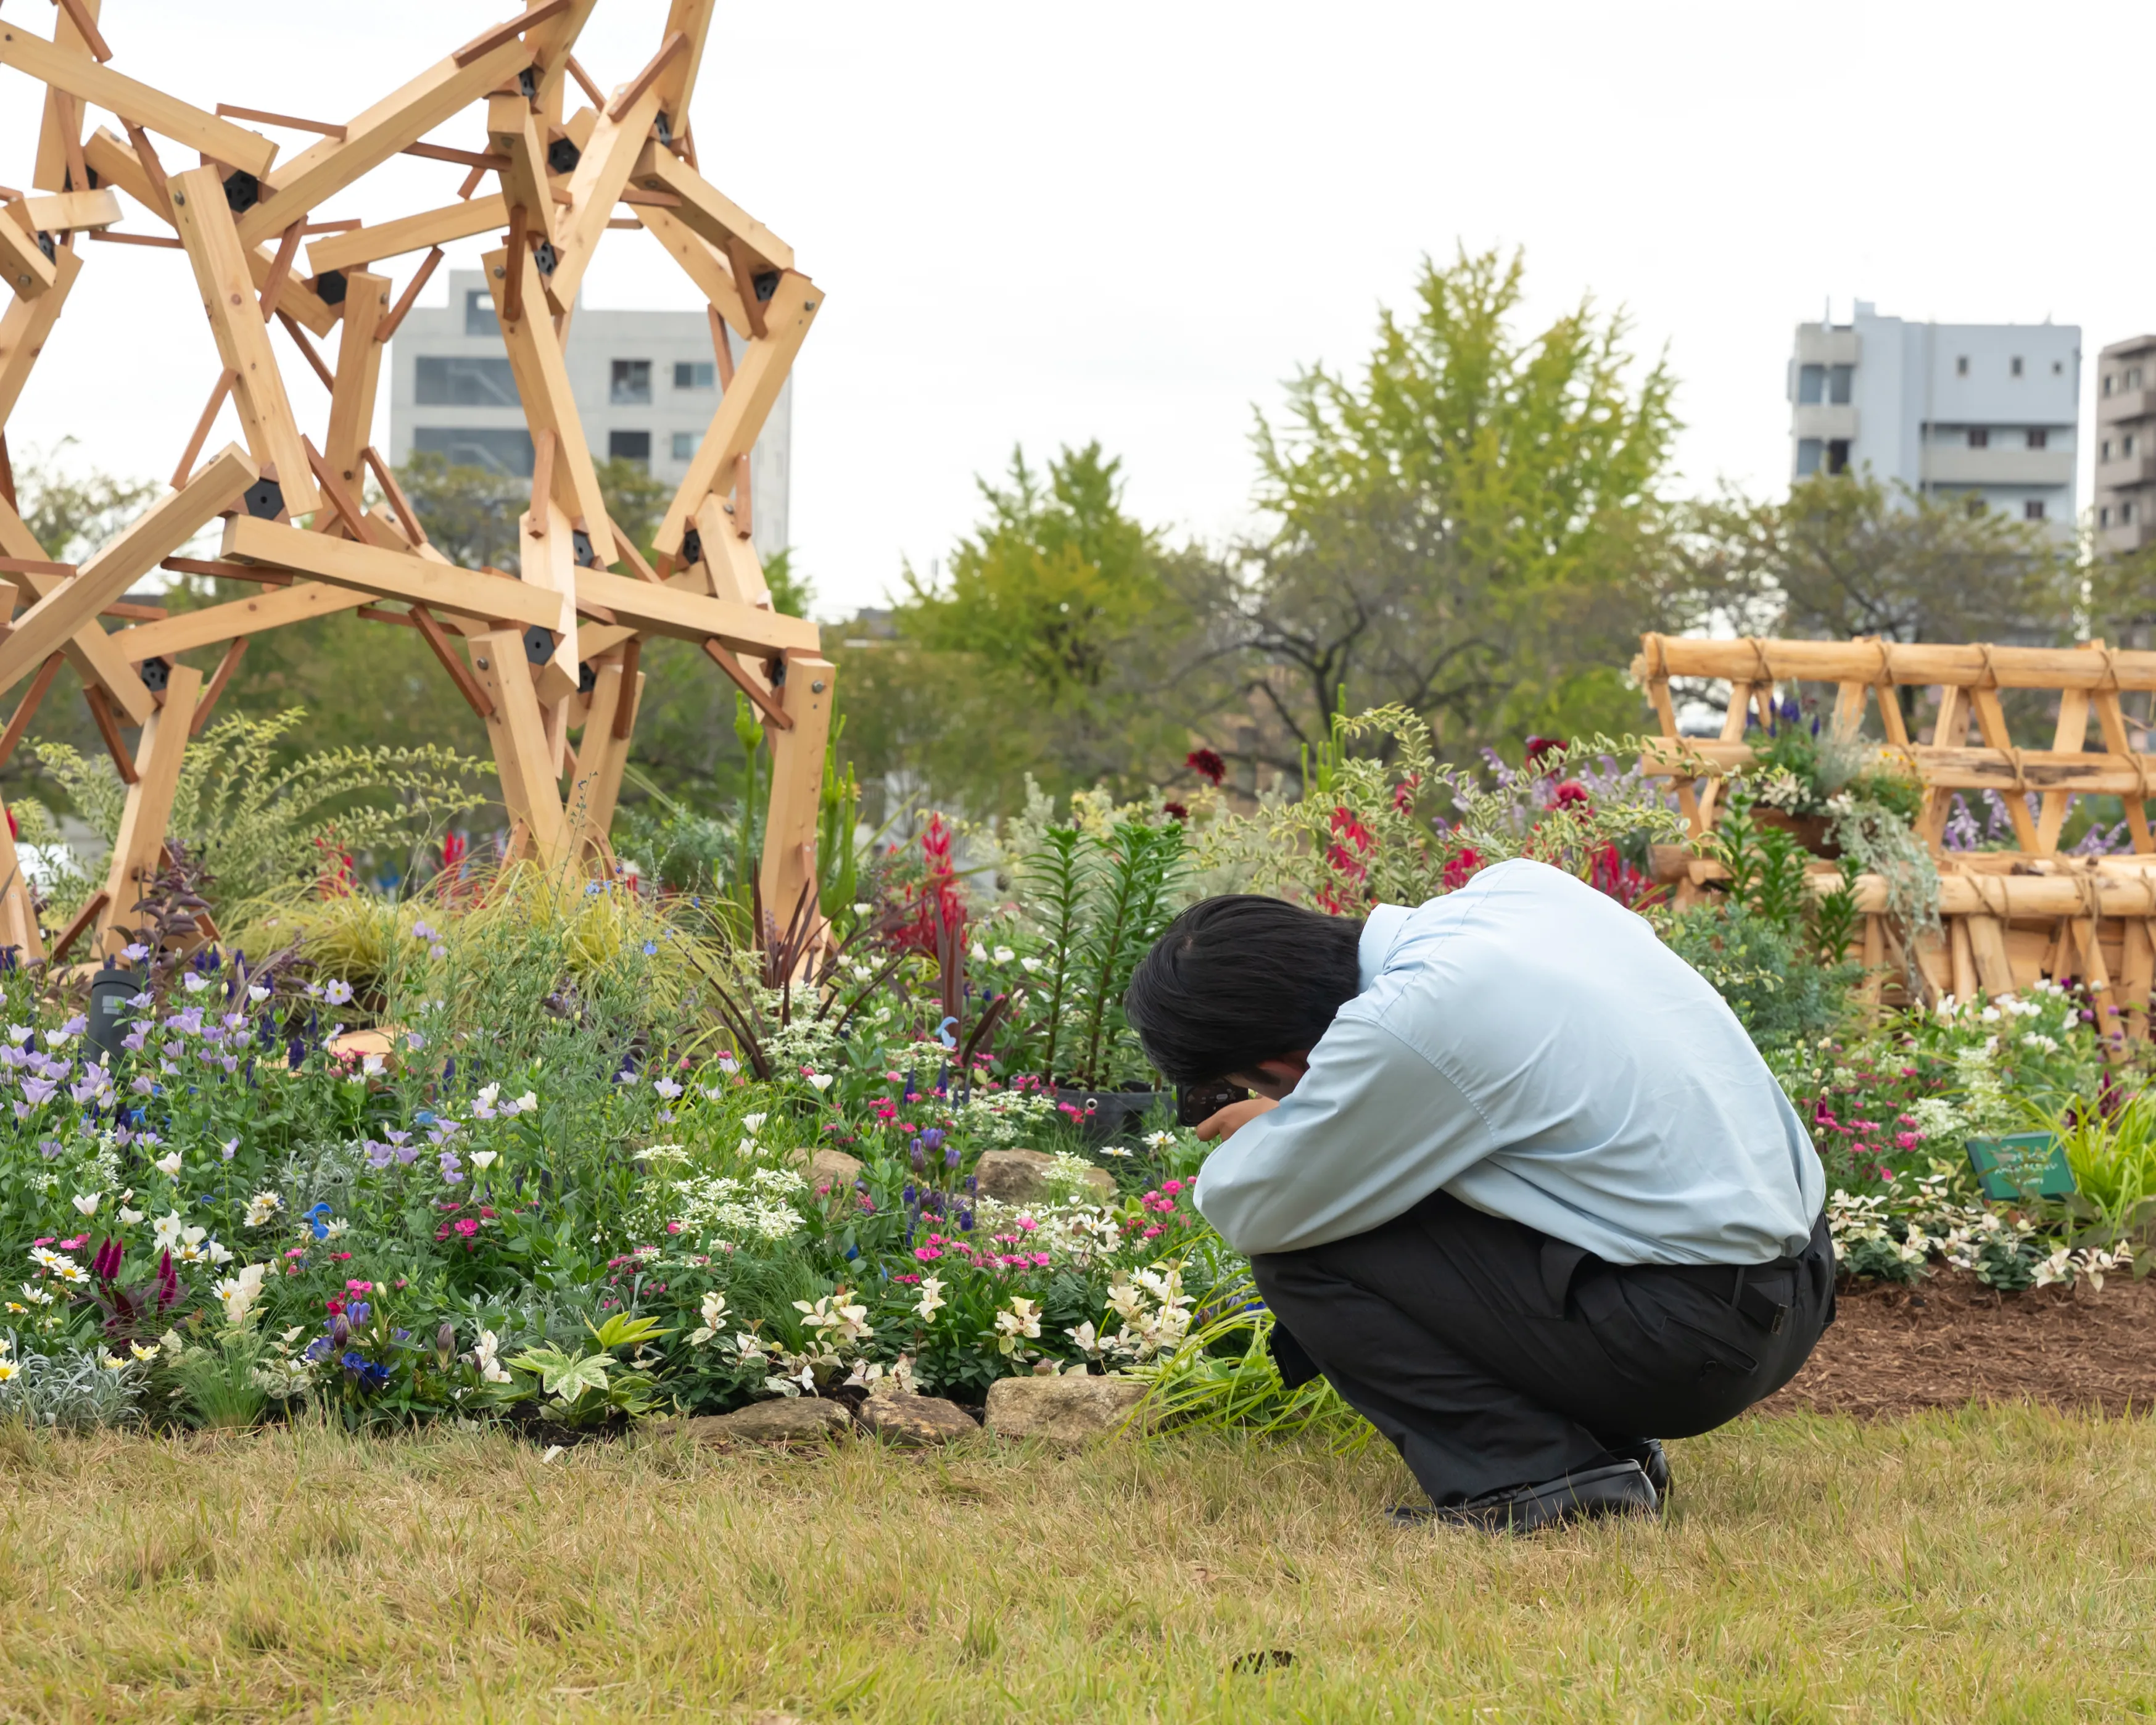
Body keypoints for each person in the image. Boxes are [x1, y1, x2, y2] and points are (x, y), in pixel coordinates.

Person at [1123, 858, 1833, 1533]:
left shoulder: (1408, 1024)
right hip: (1797, 1282)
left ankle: (1539, 1479)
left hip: (1694, 1344)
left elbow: (1249, 1206)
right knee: (1431, 1187)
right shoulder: (1522, 892)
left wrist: (1284, 1121)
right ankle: (1606, 1451)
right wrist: (1304, 1116)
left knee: (1305, 1251)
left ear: (1280, 1064)